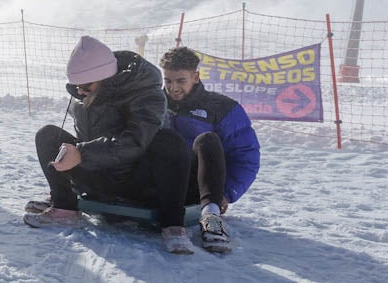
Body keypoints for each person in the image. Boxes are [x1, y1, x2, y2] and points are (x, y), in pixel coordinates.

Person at [26, 35, 196, 254]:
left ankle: (173, 225)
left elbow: (136, 141)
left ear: (104, 78)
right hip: (99, 178)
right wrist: (73, 160)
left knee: (169, 141)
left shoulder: (146, 92)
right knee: (48, 135)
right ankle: (64, 207)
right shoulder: (85, 94)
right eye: (75, 85)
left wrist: (81, 154)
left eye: (85, 84)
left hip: (138, 181)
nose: (79, 90)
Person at [159, 46, 260, 254]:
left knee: (207, 140)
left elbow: (245, 156)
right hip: (163, 183)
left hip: (200, 187)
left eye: (180, 81)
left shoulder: (221, 107)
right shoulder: (154, 103)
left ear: (195, 77)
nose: (173, 88)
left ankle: (212, 219)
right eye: (168, 81)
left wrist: (226, 193)